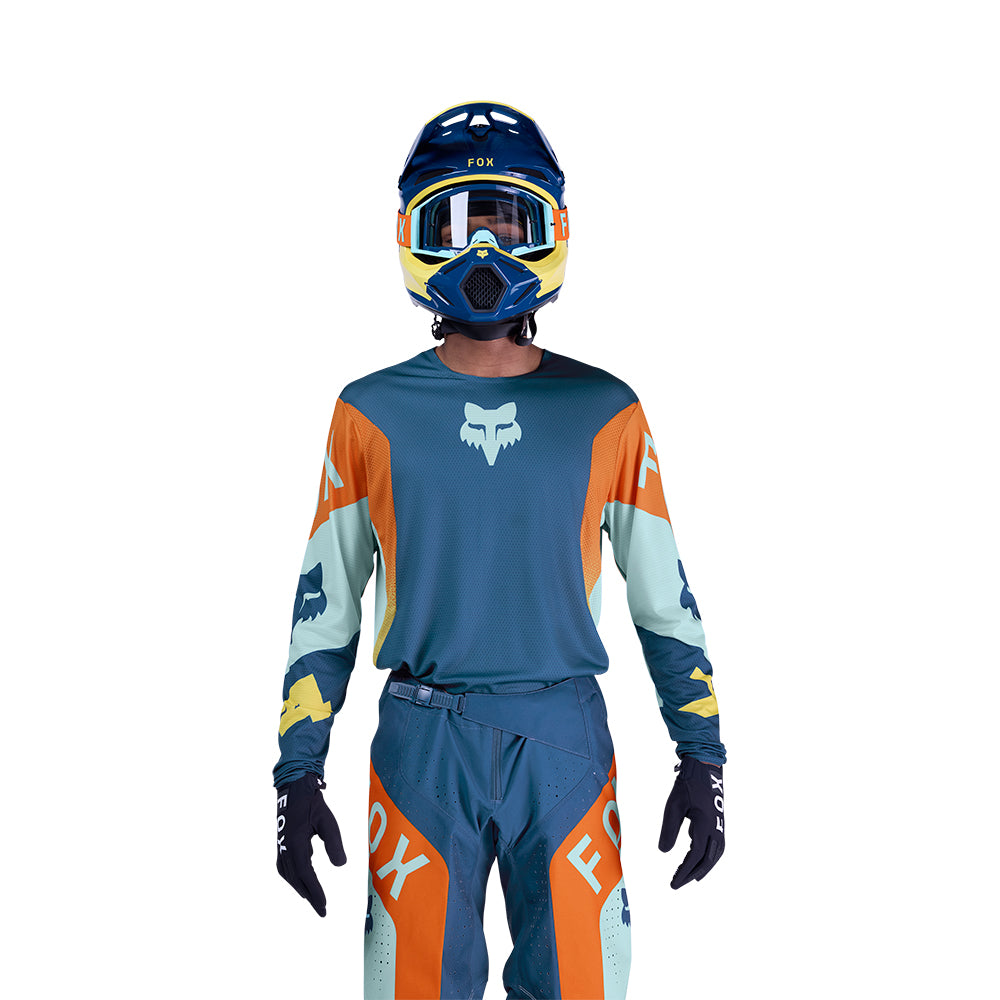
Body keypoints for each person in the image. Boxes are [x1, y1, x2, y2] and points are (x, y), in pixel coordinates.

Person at [273, 101, 727, 1000]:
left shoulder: (608, 411)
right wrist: (297, 775)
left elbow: (662, 598)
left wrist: (702, 757)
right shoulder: (368, 414)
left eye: (507, 223)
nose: (482, 250)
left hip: (561, 744)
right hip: (423, 747)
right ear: (414, 237)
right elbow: (325, 602)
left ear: (550, 230)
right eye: (454, 224)